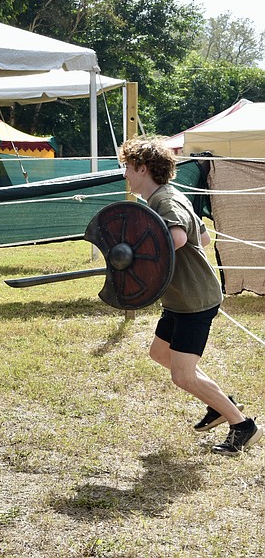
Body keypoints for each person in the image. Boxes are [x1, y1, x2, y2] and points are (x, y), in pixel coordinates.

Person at [120, 136, 260, 455]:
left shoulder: (165, 201)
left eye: (127, 167)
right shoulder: (166, 195)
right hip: (181, 298)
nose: (124, 173)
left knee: (182, 376)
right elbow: (205, 238)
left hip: (194, 300)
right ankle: (219, 404)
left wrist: (134, 256)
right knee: (160, 353)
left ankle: (242, 426)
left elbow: (179, 238)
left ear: (143, 168)